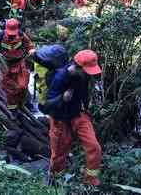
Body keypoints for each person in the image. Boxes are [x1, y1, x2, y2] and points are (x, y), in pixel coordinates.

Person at [44, 50, 103, 187]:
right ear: (77, 67)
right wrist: (62, 98)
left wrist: (87, 109)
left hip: (78, 114)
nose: (89, 74)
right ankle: (55, 181)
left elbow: (84, 93)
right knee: (59, 153)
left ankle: (90, 183)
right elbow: (47, 105)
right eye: (87, 70)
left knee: (94, 147)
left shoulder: (84, 75)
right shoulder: (59, 77)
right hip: (60, 118)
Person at [0, 19, 36, 119]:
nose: (12, 35)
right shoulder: (0, 35)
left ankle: (23, 103)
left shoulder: (21, 34)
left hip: (19, 63)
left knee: (23, 85)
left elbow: (29, 44)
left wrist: (31, 50)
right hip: (5, 64)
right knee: (10, 89)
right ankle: (13, 110)